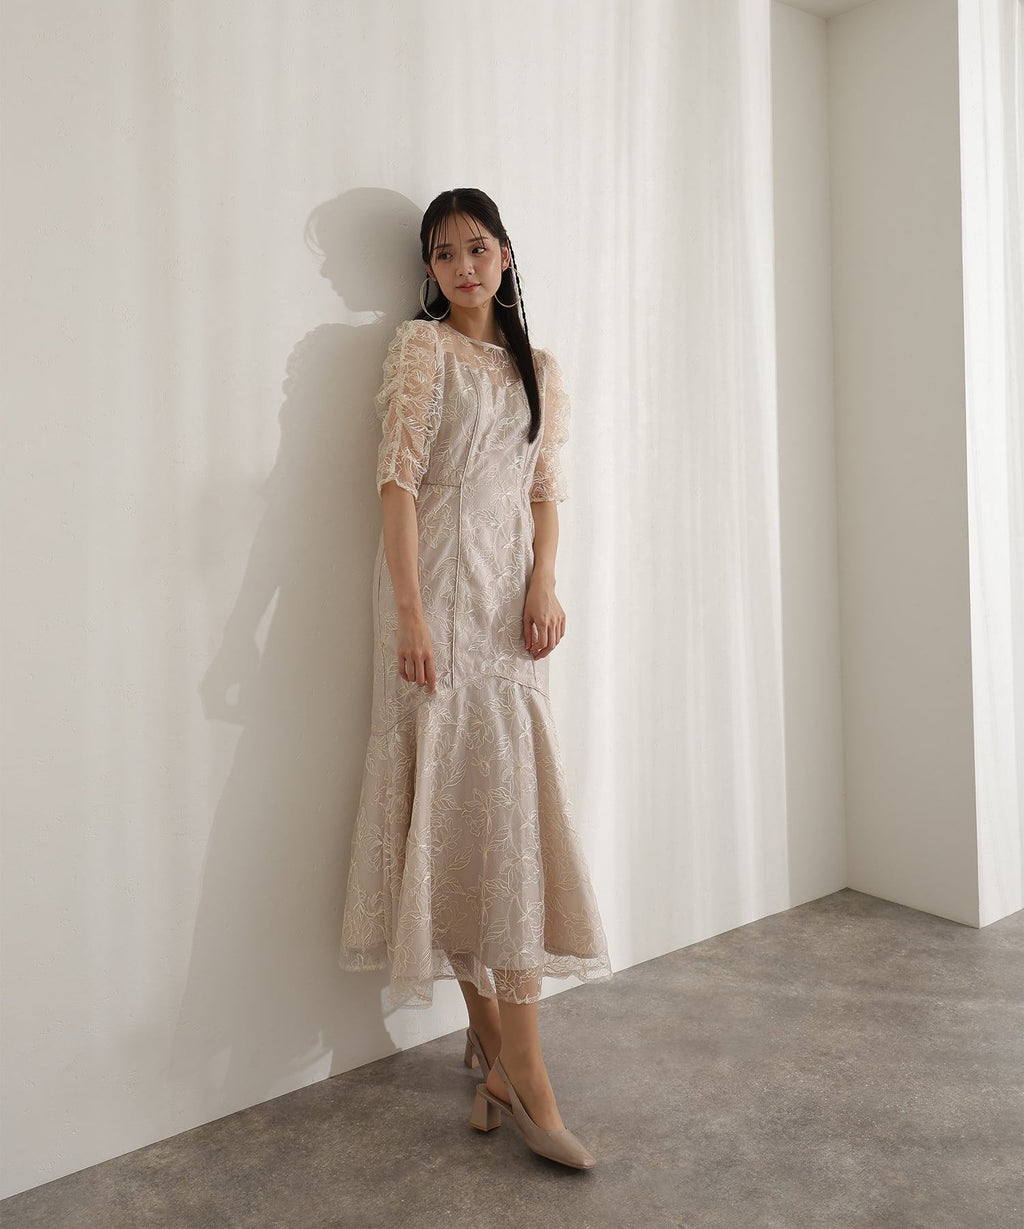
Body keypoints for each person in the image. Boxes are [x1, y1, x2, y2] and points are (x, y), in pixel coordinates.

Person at [339, 188, 612, 1169]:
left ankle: (498, 1053)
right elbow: (397, 486)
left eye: (477, 248)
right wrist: (411, 613)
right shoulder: (422, 351)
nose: (463, 266)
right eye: (444, 253)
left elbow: (544, 494)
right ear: (429, 268)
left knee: (505, 820)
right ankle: (522, 1071)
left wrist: (545, 581)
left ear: (505, 256)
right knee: (445, 814)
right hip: (435, 607)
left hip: (507, 609)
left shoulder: (539, 368)